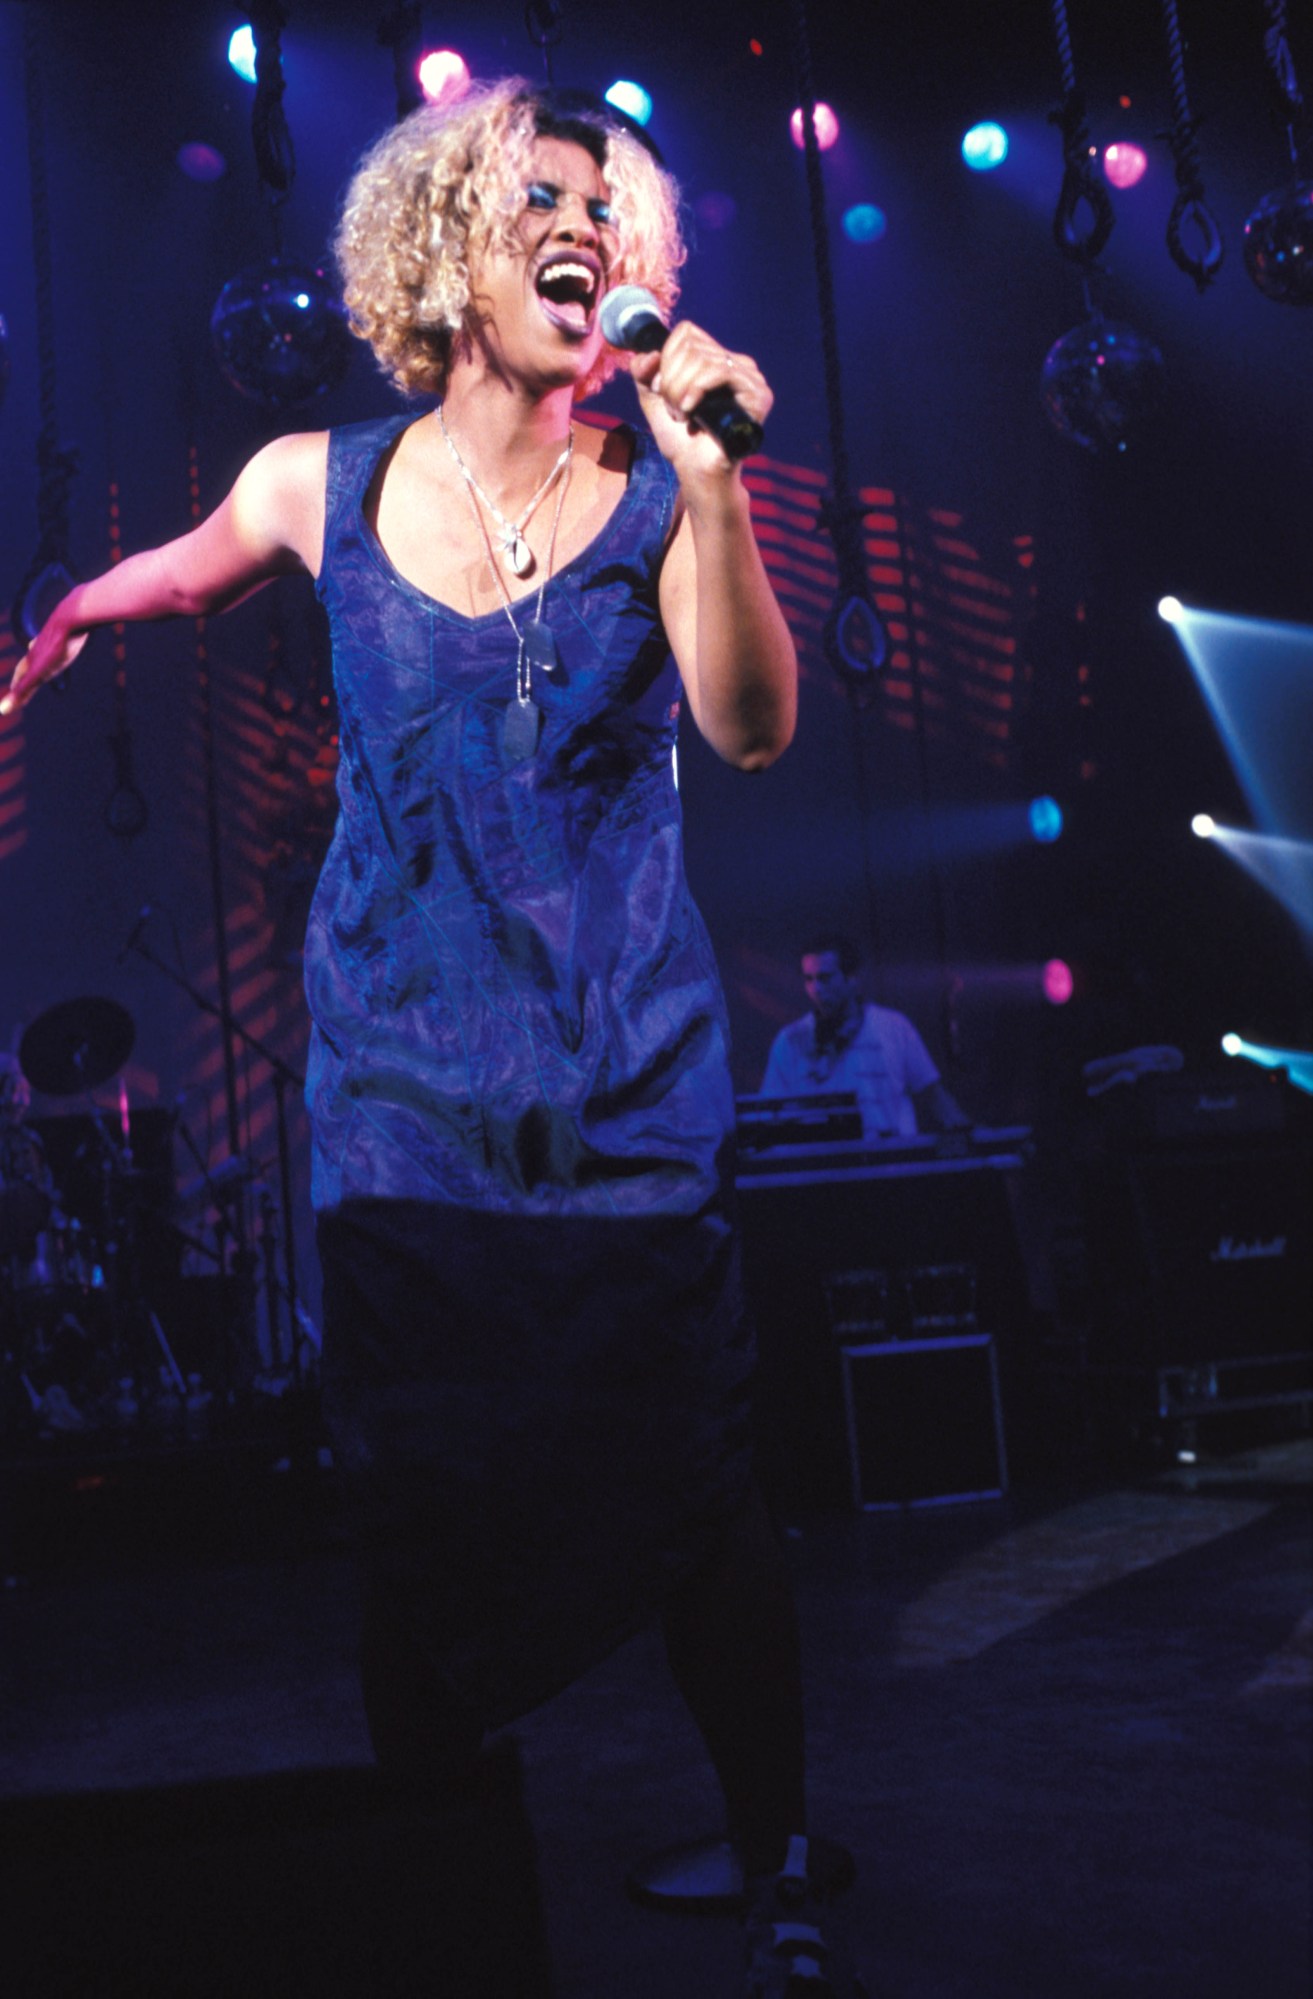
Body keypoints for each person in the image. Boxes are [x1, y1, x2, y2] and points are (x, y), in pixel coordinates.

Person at [5, 79, 864, 1997]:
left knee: (701, 1491)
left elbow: (746, 729)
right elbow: (193, 556)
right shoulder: (329, 479)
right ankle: (443, 1897)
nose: (575, 222)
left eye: (602, 206)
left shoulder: (656, 493)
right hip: (401, 1104)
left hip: (625, 1096)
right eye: (533, 196)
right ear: (445, 252)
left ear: (629, 269)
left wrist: (716, 484)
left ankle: (775, 1861)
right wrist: (78, 610)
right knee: (424, 1509)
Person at [762, 931, 971, 1137]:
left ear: (852, 978)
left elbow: (934, 1096)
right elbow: (771, 1114)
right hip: (824, 1166)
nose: (815, 988)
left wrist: (974, 1143)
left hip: (892, 1165)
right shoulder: (789, 1041)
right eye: (808, 979)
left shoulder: (894, 1027)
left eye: (825, 978)